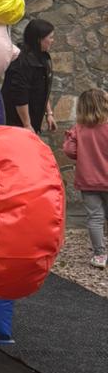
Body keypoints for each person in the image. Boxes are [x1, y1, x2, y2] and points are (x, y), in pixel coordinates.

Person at [63, 88, 108, 269]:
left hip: (88, 182)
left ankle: (99, 255)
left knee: (94, 218)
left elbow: (69, 151)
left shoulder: (79, 129)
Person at [2, 17, 56, 133]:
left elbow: (43, 88)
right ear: (39, 39)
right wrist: (27, 124)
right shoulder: (21, 61)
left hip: (32, 119)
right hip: (16, 123)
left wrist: (49, 113)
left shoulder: (42, 57)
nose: (53, 40)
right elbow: (20, 95)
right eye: (50, 37)